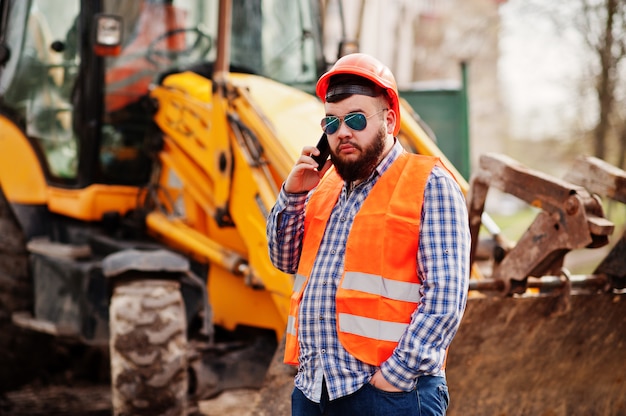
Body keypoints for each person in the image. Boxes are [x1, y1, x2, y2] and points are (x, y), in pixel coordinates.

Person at [265, 53, 471, 416]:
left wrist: (395, 377)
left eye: (356, 119)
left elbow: (445, 298)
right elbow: (283, 260)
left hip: (387, 395)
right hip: (315, 391)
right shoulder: (322, 186)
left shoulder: (430, 184)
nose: (342, 131)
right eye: (331, 122)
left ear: (389, 120)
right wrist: (293, 194)